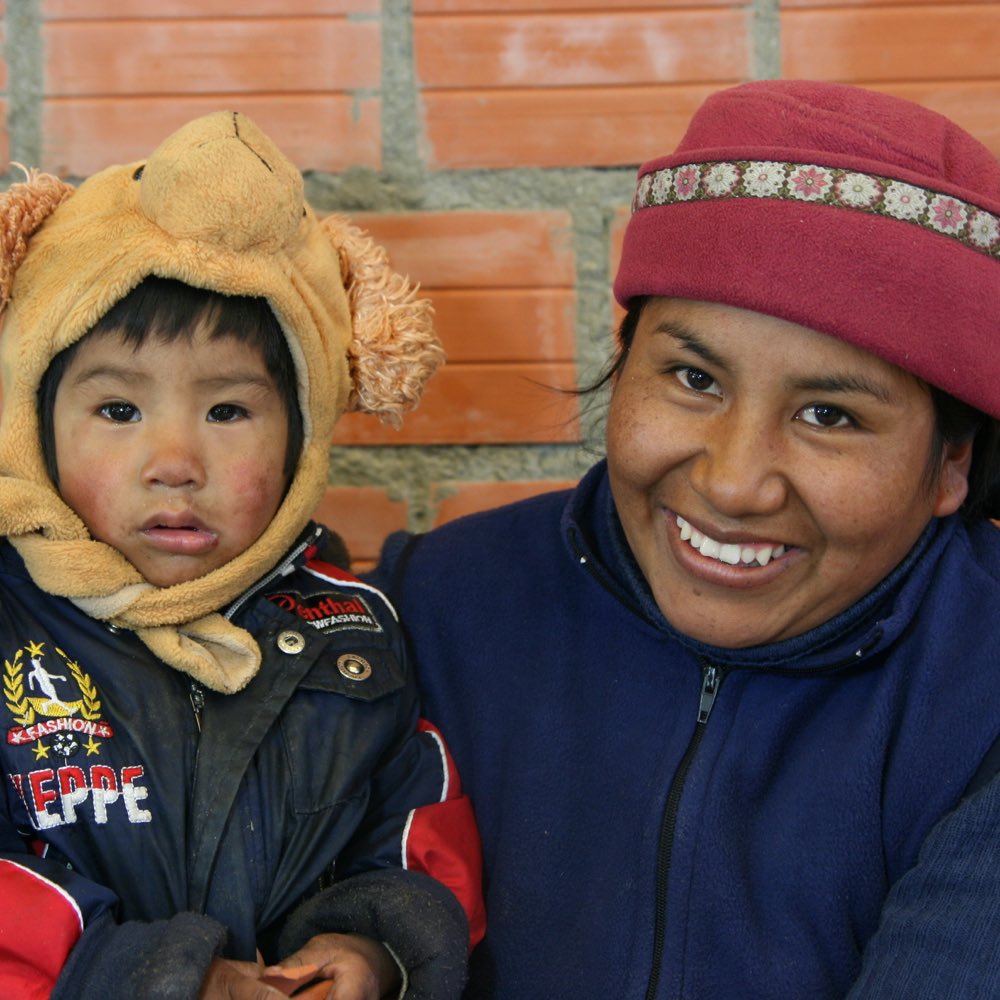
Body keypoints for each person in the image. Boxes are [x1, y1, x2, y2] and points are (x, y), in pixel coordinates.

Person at [370, 80, 1000, 998]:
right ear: (623, 365)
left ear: (950, 465)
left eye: (829, 414)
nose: (733, 481)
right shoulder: (434, 609)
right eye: (693, 378)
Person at [0, 112, 484, 999]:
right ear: (33, 421)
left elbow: (414, 826)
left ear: (303, 442)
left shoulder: (351, 630)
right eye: (118, 411)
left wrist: (375, 947)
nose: (176, 465)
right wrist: (157, 978)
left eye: (229, 412)